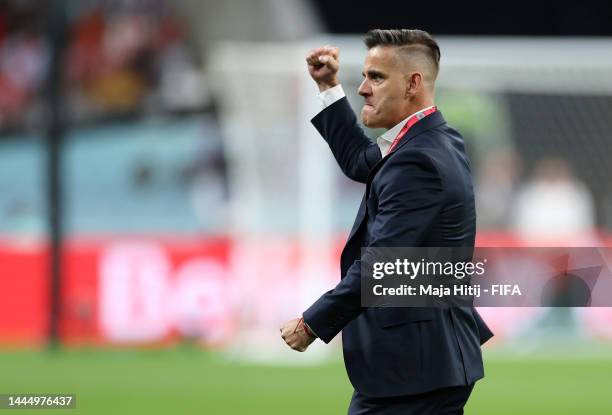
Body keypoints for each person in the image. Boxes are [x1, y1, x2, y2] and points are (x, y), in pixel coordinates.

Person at [280, 29, 493, 414]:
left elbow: (383, 264)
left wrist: (312, 323)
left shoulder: (418, 160)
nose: (363, 88)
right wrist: (328, 88)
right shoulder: (431, 140)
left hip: (414, 367)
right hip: (424, 363)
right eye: (364, 76)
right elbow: (357, 161)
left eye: (376, 77)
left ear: (413, 84)